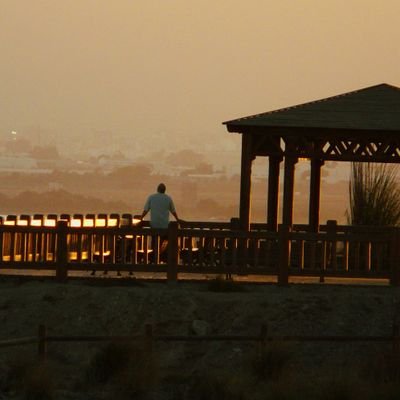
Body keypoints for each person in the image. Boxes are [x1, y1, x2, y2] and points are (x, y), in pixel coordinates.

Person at [140, 183, 181, 262]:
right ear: (164, 190)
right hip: (164, 226)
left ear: (157, 189)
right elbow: (173, 211)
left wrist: (141, 218)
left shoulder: (151, 197)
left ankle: (154, 259)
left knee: (155, 241)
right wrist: (177, 219)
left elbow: (146, 210)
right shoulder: (168, 198)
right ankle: (163, 256)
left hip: (154, 225)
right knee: (167, 240)